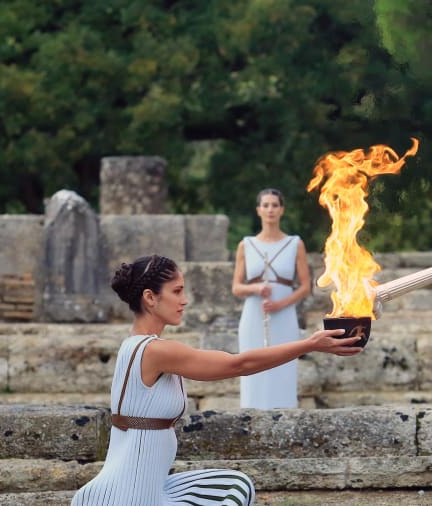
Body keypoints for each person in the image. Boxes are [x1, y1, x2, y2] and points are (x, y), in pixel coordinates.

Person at [71, 254, 360, 505]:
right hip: (129, 496)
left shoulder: (139, 346)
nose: (184, 300)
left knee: (236, 486)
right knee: (236, 490)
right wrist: (309, 344)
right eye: (177, 291)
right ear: (150, 298)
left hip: (151, 487)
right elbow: (239, 364)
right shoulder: (154, 350)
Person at [231, 189, 312, 409]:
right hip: (254, 315)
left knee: (284, 368)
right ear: (258, 210)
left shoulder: (295, 244)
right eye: (265, 205)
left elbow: (305, 286)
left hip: (284, 315)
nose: (270, 209)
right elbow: (236, 287)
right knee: (252, 368)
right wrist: (256, 287)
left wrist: (280, 304)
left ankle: (285, 418)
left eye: (274, 205)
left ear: (282, 209)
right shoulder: (246, 245)